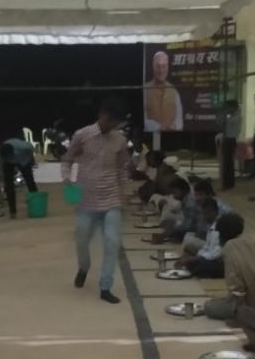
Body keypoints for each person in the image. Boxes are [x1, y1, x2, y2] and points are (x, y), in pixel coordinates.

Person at [62, 97, 128, 305]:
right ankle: (84, 267)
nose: (111, 125)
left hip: (112, 198)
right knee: (81, 240)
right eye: (109, 120)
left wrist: (123, 197)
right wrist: (67, 179)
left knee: (112, 242)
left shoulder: (120, 140)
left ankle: (105, 286)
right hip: (86, 199)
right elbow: (67, 160)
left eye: (115, 122)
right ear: (101, 114)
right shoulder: (82, 135)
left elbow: (122, 169)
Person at [205, 222, 255, 322]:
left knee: (209, 306)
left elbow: (237, 290)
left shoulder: (229, 248)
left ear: (221, 235)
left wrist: (236, 316)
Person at [177, 201, 238, 279]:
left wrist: (194, 259)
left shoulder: (220, 229)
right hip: (213, 257)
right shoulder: (212, 226)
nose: (204, 216)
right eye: (203, 214)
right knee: (192, 260)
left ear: (215, 212)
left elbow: (216, 254)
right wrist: (195, 257)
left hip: (222, 263)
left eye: (207, 213)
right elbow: (206, 247)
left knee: (200, 267)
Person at [0, 139, 38, 217]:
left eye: (9, 157)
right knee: (9, 185)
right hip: (8, 164)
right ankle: (12, 211)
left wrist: (30, 158)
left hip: (23, 159)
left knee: (30, 181)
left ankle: (36, 202)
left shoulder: (23, 147)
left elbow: (32, 149)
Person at [144, 50, 184, 132]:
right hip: (150, 136)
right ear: (153, 67)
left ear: (167, 67)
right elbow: (142, 118)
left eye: (164, 66)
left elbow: (179, 119)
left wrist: (175, 125)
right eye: (158, 66)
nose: (161, 70)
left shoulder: (174, 91)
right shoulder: (144, 90)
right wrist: (157, 127)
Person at [151, 177, 196, 243]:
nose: (174, 195)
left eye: (175, 192)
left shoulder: (189, 204)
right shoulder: (185, 201)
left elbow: (188, 226)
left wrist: (165, 234)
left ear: (184, 191)